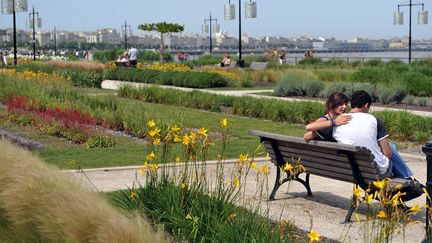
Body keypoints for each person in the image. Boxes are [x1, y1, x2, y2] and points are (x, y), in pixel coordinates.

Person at [332, 90, 414, 179]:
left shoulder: (338, 121)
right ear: (366, 105)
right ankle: (407, 179)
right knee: (390, 148)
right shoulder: (374, 119)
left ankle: (407, 178)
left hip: (347, 168)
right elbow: (387, 154)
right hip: (374, 170)